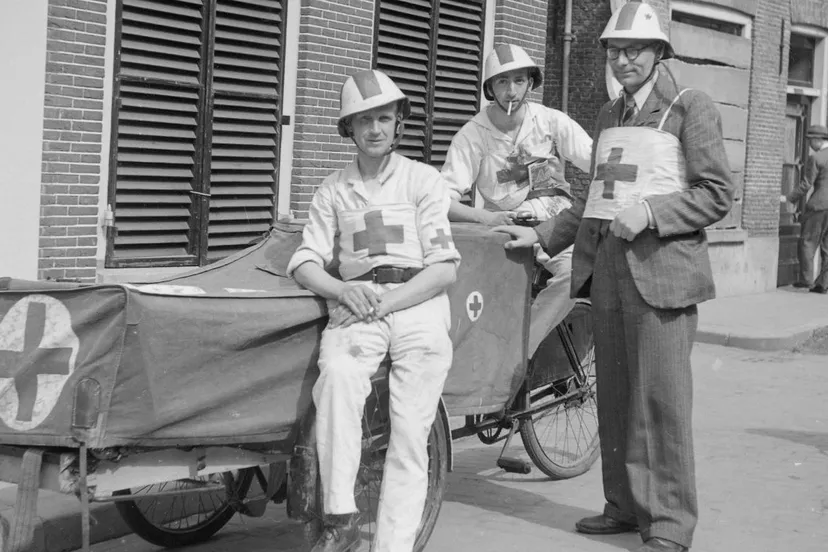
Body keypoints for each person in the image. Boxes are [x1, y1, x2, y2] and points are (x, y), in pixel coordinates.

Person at [492, 2, 734, 551]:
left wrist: (653, 214)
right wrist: (546, 234)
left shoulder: (688, 106)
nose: (623, 60)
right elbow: (597, 199)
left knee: (661, 402)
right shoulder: (607, 117)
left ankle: (670, 525)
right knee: (617, 397)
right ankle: (623, 506)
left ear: (658, 54)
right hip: (608, 271)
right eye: (615, 51)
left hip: (663, 274)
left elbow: (716, 192)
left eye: (635, 50)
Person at [286, 69, 461, 552]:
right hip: (358, 306)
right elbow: (304, 260)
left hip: (417, 306)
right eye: (363, 121)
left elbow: (444, 268)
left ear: (398, 122)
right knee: (338, 376)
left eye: (384, 117)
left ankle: (393, 545)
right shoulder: (333, 189)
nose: (375, 129)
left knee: (409, 432)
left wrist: (388, 302)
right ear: (349, 129)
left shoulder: (423, 180)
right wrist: (342, 292)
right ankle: (340, 516)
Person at [441, 43, 593, 355]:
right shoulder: (473, 135)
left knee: (577, 276)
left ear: (530, 84)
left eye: (519, 81)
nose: (511, 91)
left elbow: (598, 161)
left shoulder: (551, 122)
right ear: (490, 88)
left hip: (555, 227)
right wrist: (486, 217)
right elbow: (442, 200)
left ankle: (518, 353)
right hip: (506, 228)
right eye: (502, 82)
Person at [785, 124, 828, 293]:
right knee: (827, 246)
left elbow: (806, 184)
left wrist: (790, 197)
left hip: (818, 206)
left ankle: (806, 280)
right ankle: (823, 284)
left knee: (807, 242)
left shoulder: (816, 158)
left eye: (811, 140)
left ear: (818, 140)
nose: (809, 144)